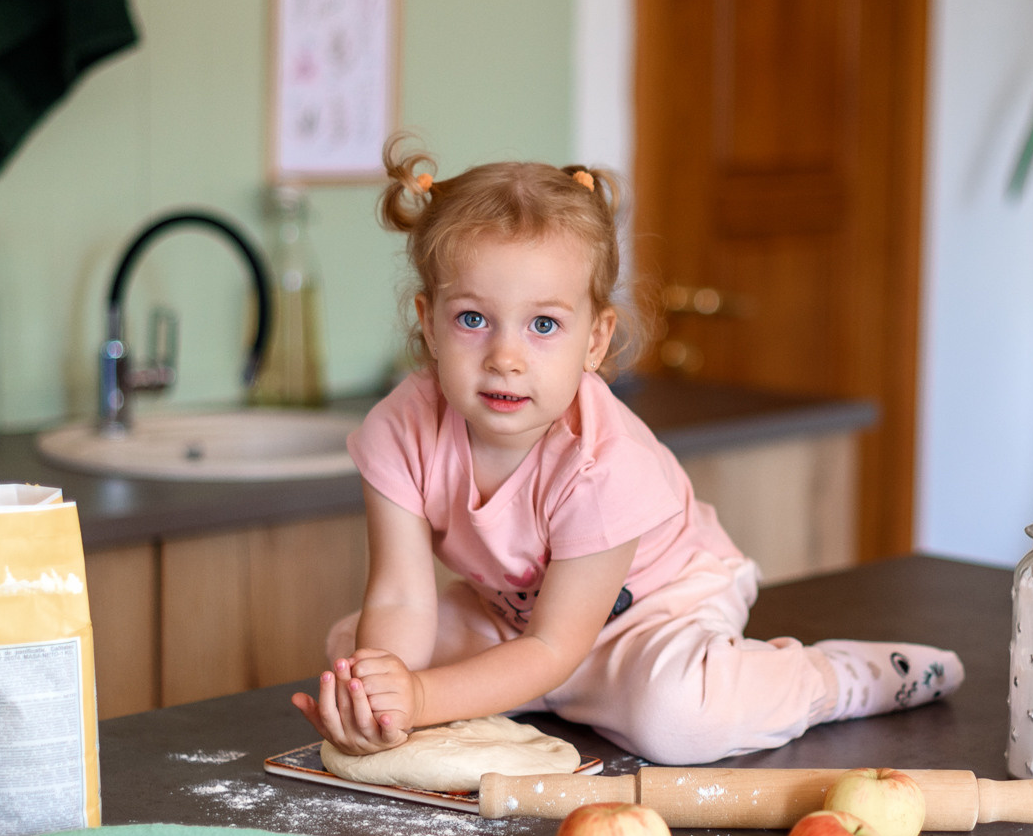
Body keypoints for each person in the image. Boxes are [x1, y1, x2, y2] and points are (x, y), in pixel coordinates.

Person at [292, 139, 963, 766]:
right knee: (355, 651)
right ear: (429, 322)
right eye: (473, 318)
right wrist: (379, 698)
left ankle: (835, 677)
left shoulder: (604, 462)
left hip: (654, 610)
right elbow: (403, 598)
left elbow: (557, 644)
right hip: (521, 619)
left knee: (674, 717)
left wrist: (424, 698)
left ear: (595, 339)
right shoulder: (398, 430)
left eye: (544, 324)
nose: (505, 357)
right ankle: (568, 695)